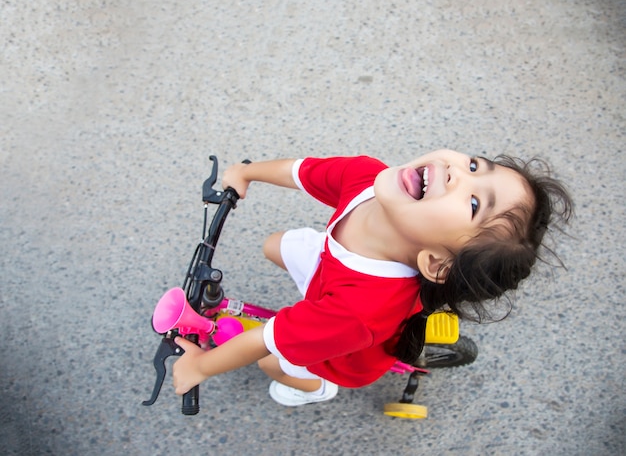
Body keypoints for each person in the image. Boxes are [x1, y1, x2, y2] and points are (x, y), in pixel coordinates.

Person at [172, 149, 572, 406]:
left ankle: (316, 389)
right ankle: (312, 308)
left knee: (272, 363)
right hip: (334, 269)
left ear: (434, 262)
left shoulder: (360, 314)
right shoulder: (368, 178)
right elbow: (302, 172)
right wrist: (246, 173)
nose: (457, 173)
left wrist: (200, 368)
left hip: (347, 346)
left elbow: (264, 339)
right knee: (274, 245)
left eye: (472, 203)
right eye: (474, 166)